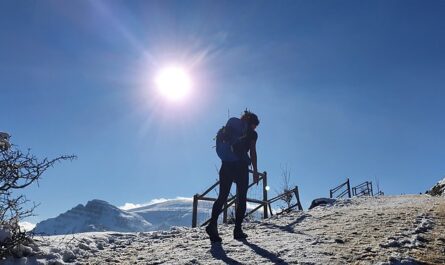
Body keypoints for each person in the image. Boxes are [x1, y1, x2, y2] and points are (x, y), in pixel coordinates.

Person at [206, 110, 260, 242]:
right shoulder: (252, 133)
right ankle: (238, 230)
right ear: (252, 123)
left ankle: (212, 225)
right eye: (255, 125)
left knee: (222, 196)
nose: (255, 128)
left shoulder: (231, 128)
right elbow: (252, 151)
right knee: (241, 198)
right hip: (240, 167)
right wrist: (256, 170)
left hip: (226, 165)